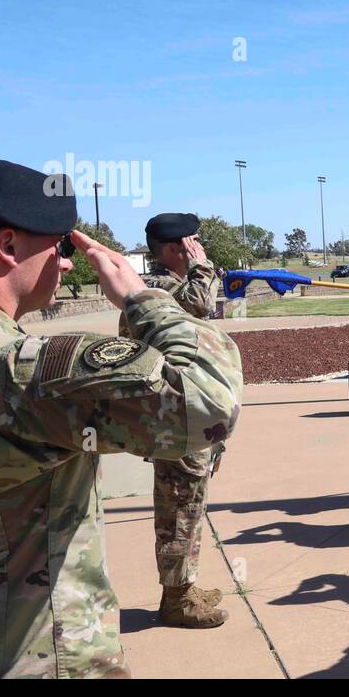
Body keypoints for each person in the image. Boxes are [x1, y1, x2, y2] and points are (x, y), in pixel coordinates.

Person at [0, 158, 243, 677]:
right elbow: (207, 401)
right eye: (57, 247)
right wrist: (141, 297)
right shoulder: (2, 366)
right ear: (8, 247)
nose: (68, 264)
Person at [117, 212, 228, 628]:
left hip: (188, 413)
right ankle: (176, 598)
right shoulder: (155, 287)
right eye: (193, 242)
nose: (200, 248)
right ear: (172, 249)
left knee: (189, 501)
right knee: (180, 505)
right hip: (172, 416)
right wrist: (202, 267)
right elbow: (197, 305)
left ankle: (183, 585)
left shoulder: (171, 285)